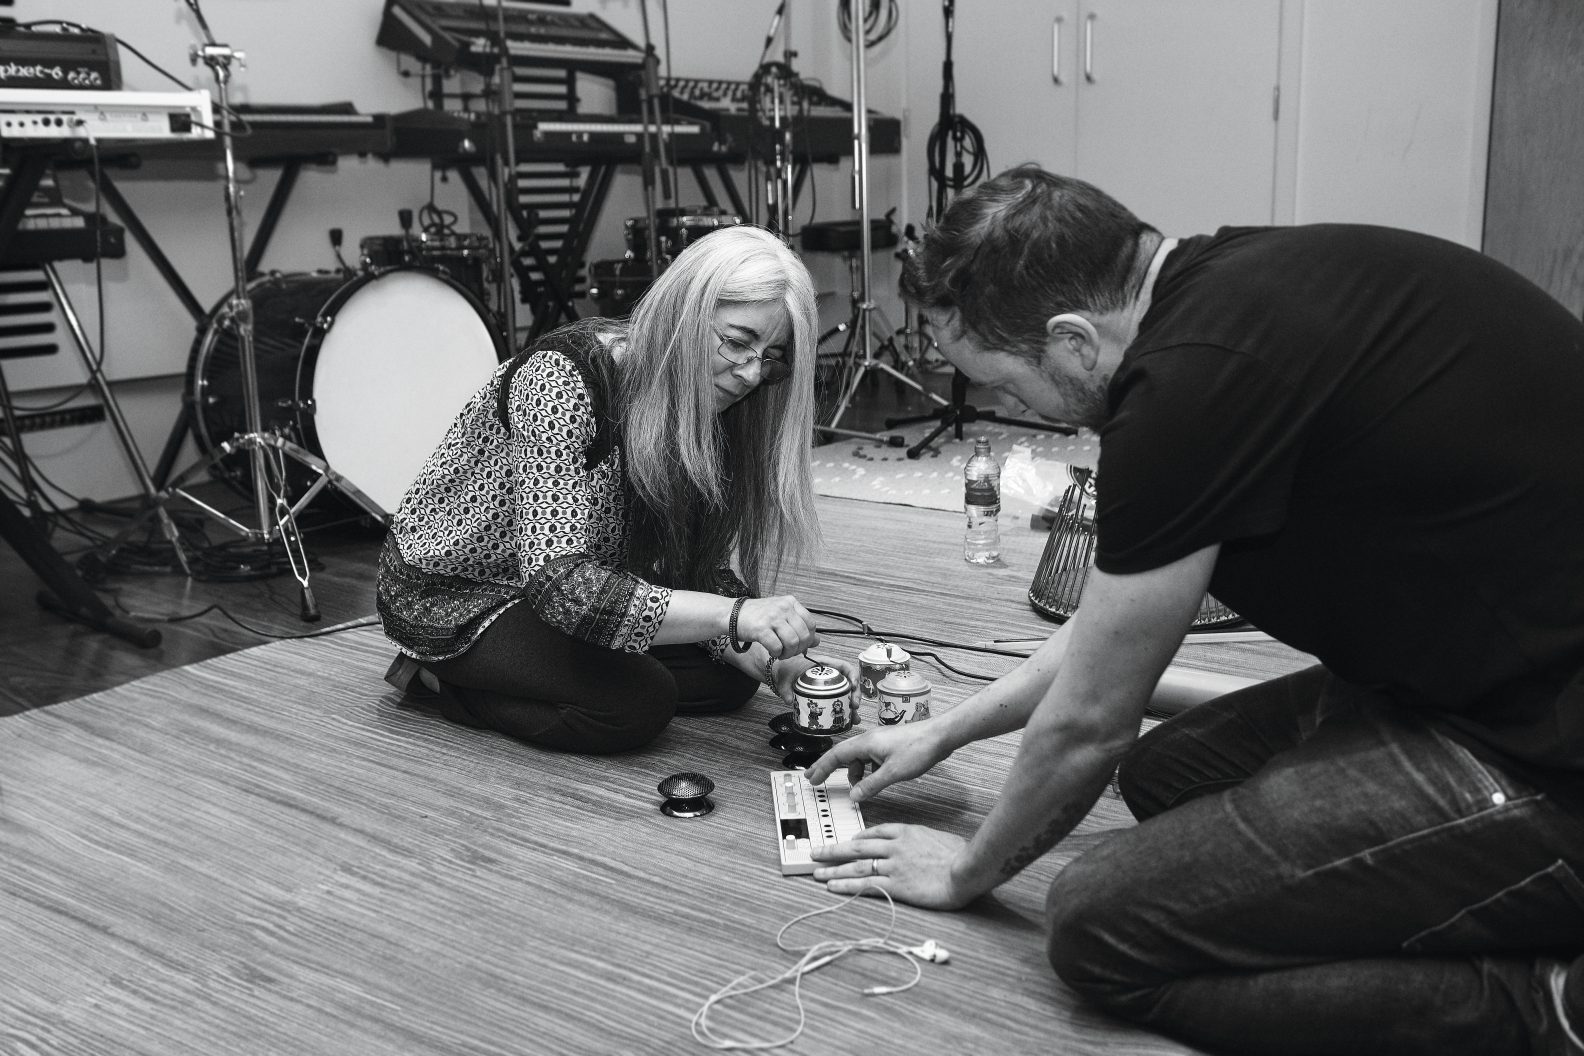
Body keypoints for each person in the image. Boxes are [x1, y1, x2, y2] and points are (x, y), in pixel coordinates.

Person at [803, 164, 1584, 1056]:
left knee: (1098, 927)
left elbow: (1091, 723)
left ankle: (1545, 1001)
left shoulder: (1187, 394)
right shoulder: (1230, 289)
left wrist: (969, 869)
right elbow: (1110, 631)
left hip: (1546, 751)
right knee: (1167, 775)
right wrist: (943, 731)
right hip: (1469, 674)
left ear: (1073, 340)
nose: (1008, 410)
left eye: (1009, 388)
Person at [378, 224, 854, 754]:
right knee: (636, 702)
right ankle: (437, 677)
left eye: (770, 358)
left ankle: (546, 669)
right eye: (739, 342)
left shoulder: (711, 397)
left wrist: (775, 661)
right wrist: (737, 615)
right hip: (460, 595)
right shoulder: (562, 377)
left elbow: (695, 567)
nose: (749, 374)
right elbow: (562, 587)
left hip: (575, 588)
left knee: (731, 679)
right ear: (684, 313)